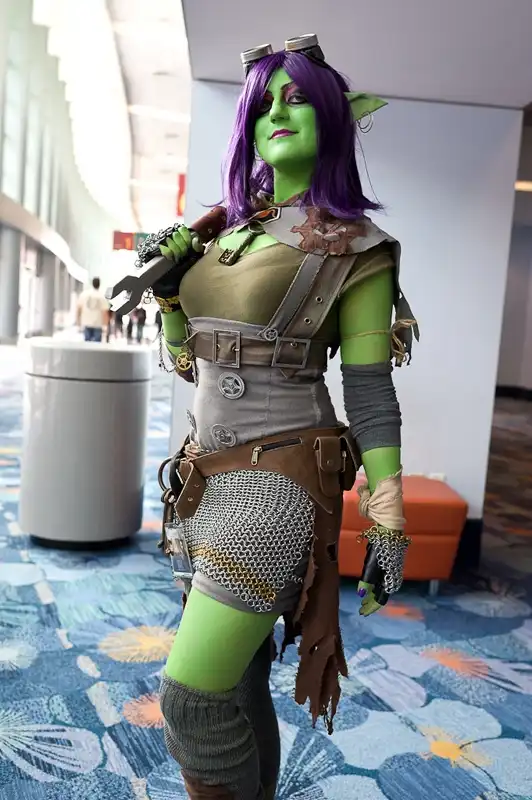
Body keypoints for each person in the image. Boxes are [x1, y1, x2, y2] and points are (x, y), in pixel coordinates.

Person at [142, 34, 418, 799]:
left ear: (333, 117)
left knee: (191, 700)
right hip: (198, 477)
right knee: (236, 681)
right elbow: (191, 363)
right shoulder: (221, 233)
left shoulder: (357, 246)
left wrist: (389, 518)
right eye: (264, 105)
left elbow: (369, 391)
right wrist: (169, 295)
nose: (278, 114)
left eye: (297, 99)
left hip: (277, 485)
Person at [76, 277, 109, 342]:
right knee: (97, 345)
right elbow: (105, 312)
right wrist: (105, 325)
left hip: (86, 322)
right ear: (99, 284)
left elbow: (79, 309)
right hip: (98, 324)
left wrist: (78, 322)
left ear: (92, 283)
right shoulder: (102, 296)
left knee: (87, 343)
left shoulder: (84, 294)